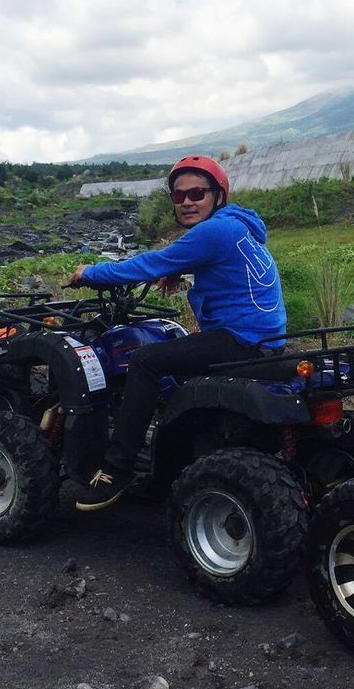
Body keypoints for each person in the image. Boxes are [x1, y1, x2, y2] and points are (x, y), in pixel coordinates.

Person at [69, 155, 287, 511]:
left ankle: (115, 470)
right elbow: (222, 270)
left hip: (239, 340)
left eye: (197, 193)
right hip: (264, 341)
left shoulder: (212, 231)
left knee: (145, 361)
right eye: (178, 196)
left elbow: (148, 263)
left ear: (218, 195)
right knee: (175, 378)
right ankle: (163, 475)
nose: (187, 202)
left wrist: (91, 272)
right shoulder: (237, 225)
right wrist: (181, 271)